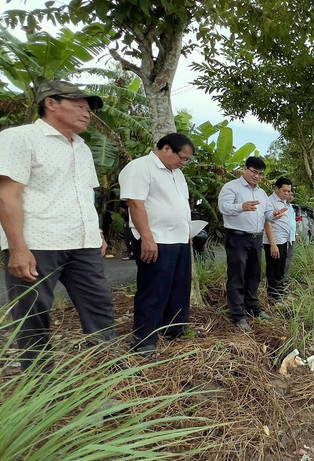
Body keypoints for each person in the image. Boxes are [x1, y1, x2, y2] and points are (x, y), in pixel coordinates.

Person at [0, 80, 115, 369]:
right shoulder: (20, 138)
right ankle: (41, 388)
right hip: (38, 242)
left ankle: (108, 372)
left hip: (83, 243)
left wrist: (97, 230)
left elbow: (84, 193)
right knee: (34, 316)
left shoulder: (83, 147)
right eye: (79, 106)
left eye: (88, 109)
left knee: (100, 307)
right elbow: (7, 194)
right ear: (51, 103)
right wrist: (17, 248)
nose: (87, 113)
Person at [119, 133, 195, 356]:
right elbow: (135, 203)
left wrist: (187, 231)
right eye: (182, 158)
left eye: (186, 160)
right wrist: (147, 237)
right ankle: (144, 340)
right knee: (154, 289)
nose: (183, 163)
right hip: (156, 238)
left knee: (179, 287)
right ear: (166, 149)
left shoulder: (177, 174)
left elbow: (180, 205)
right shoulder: (140, 168)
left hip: (179, 238)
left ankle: (174, 328)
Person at [217, 157, 284, 332]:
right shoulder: (231, 187)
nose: (257, 176)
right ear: (245, 169)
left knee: (254, 275)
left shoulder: (261, 193)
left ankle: (253, 308)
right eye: (254, 172)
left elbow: (267, 213)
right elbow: (223, 207)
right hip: (237, 237)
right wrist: (241, 206)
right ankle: (238, 315)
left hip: (256, 238)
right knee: (237, 274)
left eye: (260, 174)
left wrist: (274, 214)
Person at [262, 177, 292, 305]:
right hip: (273, 242)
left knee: (280, 269)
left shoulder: (283, 202)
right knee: (273, 269)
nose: (286, 194)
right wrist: (273, 244)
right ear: (277, 188)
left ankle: (280, 294)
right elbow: (267, 223)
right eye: (284, 191)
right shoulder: (270, 201)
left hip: (283, 240)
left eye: (288, 191)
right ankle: (273, 297)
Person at [283, 189, 300, 284]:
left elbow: (292, 223)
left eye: (292, 195)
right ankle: (281, 278)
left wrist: (296, 234)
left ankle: (285, 277)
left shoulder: (291, 207)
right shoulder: (282, 206)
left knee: (288, 258)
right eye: (289, 194)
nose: (290, 196)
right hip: (284, 238)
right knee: (283, 258)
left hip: (291, 237)